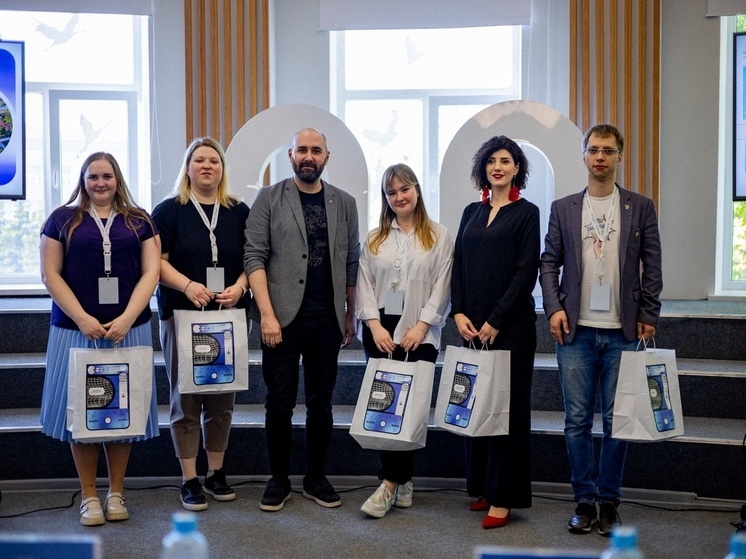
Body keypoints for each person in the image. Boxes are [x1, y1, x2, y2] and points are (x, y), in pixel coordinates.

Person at [539, 124, 663, 536]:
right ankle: (584, 500)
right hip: (574, 331)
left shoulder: (640, 207)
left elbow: (653, 265)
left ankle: (609, 502)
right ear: (584, 155)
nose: (600, 157)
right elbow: (549, 262)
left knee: (616, 420)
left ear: (620, 157)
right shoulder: (564, 207)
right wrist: (553, 307)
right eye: (593, 150)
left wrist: (650, 311)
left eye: (608, 151)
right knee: (576, 421)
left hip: (623, 331)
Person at [40, 152, 161, 526]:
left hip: (129, 329)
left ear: (117, 179)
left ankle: (116, 492)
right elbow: (50, 275)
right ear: (83, 180)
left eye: (107, 176)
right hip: (76, 332)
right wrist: (83, 318)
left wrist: (126, 317)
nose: (100, 183)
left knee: (120, 412)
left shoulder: (139, 220)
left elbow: (151, 272)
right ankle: (89, 495)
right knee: (83, 411)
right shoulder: (61, 219)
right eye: (93, 177)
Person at [244, 127, 360, 512]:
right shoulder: (269, 198)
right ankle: (278, 479)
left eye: (316, 150)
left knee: (321, 402)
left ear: (327, 157)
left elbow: (351, 261)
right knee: (278, 403)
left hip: (326, 319)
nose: (308, 156)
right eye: (301, 150)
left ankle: (314, 477)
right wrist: (266, 316)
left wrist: (349, 313)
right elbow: (254, 257)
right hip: (280, 320)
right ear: (290, 155)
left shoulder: (344, 203)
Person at [152, 138, 250, 512]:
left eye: (214, 160)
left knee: (223, 400)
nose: (207, 165)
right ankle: (189, 478)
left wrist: (240, 287)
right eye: (199, 160)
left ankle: (216, 473)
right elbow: (155, 263)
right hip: (182, 316)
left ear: (222, 168)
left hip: (227, 318)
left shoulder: (239, 210)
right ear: (188, 167)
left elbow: (254, 258)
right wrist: (189, 285)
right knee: (187, 400)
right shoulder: (168, 211)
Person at [450, 135, 541, 529]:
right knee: (478, 404)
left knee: (509, 411)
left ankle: (505, 497)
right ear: (483, 168)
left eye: (505, 160)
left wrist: (495, 321)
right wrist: (457, 313)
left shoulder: (528, 212)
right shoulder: (472, 210)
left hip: (512, 328)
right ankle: (485, 488)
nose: (498, 166)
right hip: (472, 327)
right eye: (491, 161)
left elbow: (526, 273)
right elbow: (458, 265)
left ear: (517, 167)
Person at [356, 163, 454, 518]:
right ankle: (399, 481)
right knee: (385, 409)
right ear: (385, 198)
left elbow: (444, 285)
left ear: (416, 190)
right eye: (391, 192)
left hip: (420, 332)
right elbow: (365, 286)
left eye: (404, 189)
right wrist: (374, 326)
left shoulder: (439, 235)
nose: (399, 197)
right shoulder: (374, 238)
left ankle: (389, 484)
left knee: (408, 408)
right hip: (380, 332)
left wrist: (422, 326)